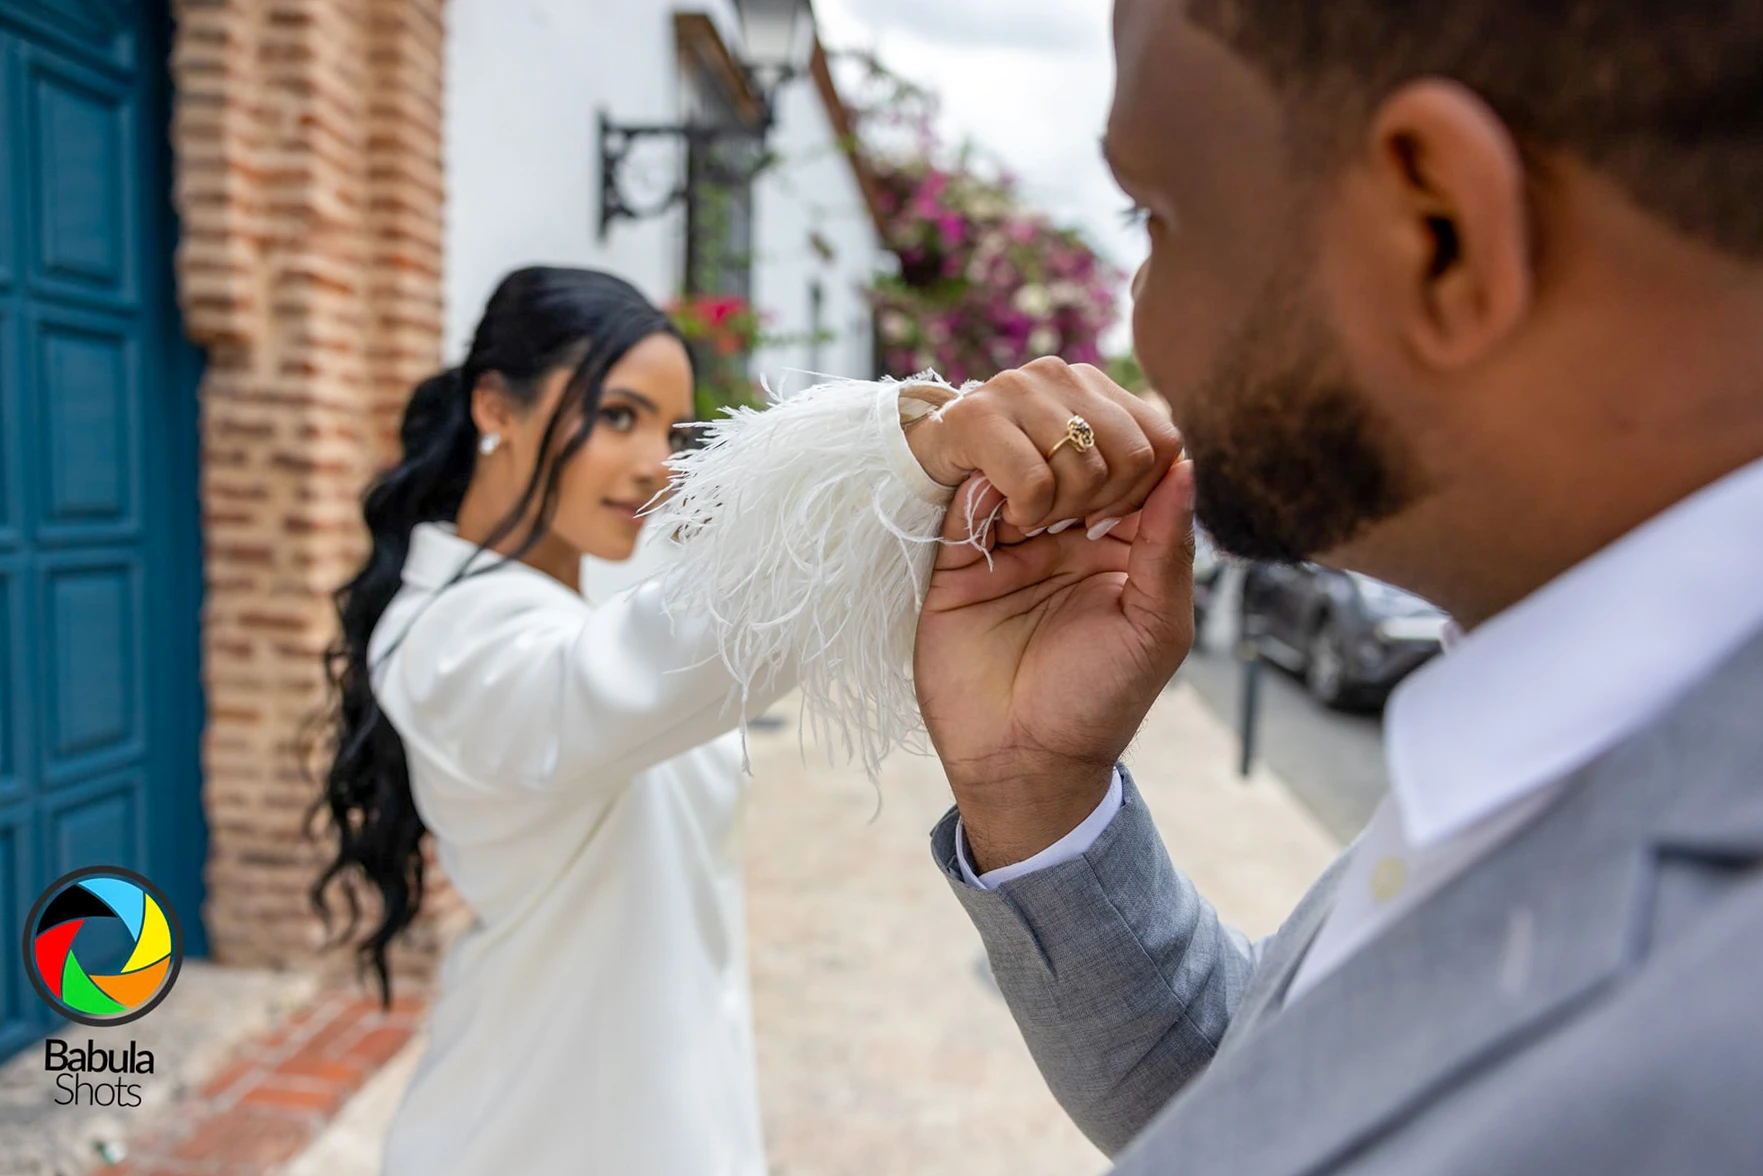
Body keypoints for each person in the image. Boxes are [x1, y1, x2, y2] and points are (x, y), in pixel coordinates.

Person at [912, 1, 1763, 1172]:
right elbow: (1275, 1103)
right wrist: (1038, 797)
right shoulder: (1559, 693)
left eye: (1152, 217)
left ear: (1437, 227)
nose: (1134, 329)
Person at [305, 265, 1178, 1175]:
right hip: (534, 1129)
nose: (653, 462)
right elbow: (645, 663)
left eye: (668, 428)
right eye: (616, 416)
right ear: (496, 409)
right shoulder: (448, 637)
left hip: (661, 1104)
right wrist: (902, 452)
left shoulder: (567, 599)